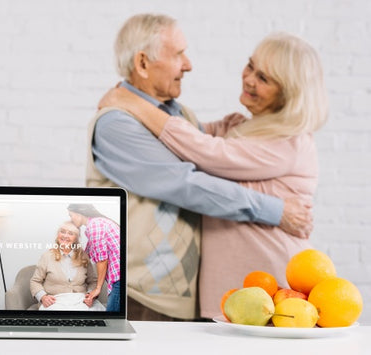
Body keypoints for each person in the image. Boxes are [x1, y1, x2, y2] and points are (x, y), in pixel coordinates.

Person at [86, 13, 313, 321]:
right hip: (137, 295)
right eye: (178, 54)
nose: (188, 64)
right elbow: (186, 185)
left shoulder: (182, 117)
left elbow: (212, 152)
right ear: (142, 63)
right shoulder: (118, 124)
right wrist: (275, 210)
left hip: (180, 298)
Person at [30, 221, 99, 310]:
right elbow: (35, 281)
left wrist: (90, 296)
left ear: (76, 239)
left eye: (70, 233)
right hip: (55, 302)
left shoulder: (84, 257)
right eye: (62, 231)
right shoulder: (47, 256)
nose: (65, 236)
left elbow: (93, 282)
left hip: (80, 301)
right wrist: (43, 297)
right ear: (58, 235)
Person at [67, 204, 121, 312]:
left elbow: (102, 260)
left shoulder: (95, 225)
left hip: (118, 277)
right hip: (118, 276)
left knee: (112, 321)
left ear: (79, 214)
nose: (71, 219)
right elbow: (87, 254)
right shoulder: (96, 224)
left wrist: (97, 289)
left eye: (71, 215)